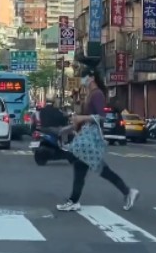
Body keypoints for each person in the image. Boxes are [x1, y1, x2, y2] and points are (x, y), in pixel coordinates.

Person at [58, 69, 138, 212]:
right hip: (87, 135)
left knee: (86, 164)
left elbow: (102, 116)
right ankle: (74, 200)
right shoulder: (90, 94)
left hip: (91, 137)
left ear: (92, 77)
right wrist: (71, 126)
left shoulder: (98, 94)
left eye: (84, 77)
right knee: (86, 167)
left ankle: (127, 191)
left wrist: (82, 118)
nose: (83, 80)